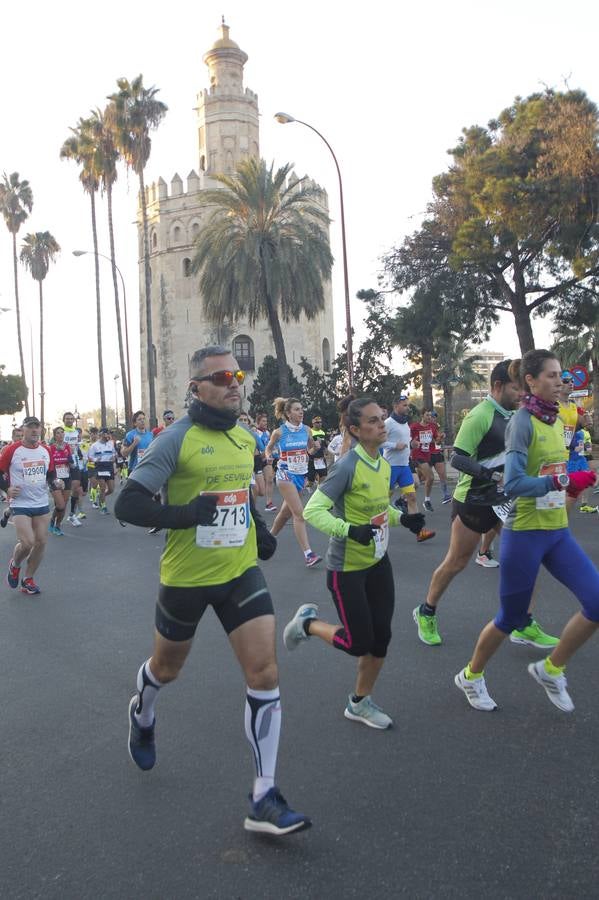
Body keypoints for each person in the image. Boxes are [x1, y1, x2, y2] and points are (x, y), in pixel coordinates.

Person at [114, 345, 310, 836]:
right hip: (186, 578)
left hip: (239, 572)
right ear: (195, 388)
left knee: (264, 672)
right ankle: (144, 710)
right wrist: (184, 516)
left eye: (237, 374)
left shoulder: (244, 438)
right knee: (166, 668)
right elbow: (128, 504)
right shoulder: (174, 441)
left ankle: (264, 795)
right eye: (220, 377)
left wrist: (260, 534)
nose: (233, 383)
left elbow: (238, 495)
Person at [454, 350, 599, 713]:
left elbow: (551, 470)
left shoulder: (555, 419)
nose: (559, 381)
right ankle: (471, 675)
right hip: (525, 532)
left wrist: (569, 480)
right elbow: (515, 483)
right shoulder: (522, 422)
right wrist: (565, 480)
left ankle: (552, 669)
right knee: (511, 618)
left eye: (561, 375)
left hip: (557, 531)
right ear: (530, 382)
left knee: (596, 603)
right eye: (550, 375)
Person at [285, 397, 428, 728]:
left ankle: (360, 702)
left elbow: (377, 511)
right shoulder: (347, 465)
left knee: (381, 639)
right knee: (358, 642)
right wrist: (350, 531)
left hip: (377, 561)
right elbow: (312, 511)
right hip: (346, 568)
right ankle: (307, 625)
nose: (382, 425)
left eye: (382, 419)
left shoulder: (384, 464)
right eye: (374, 421)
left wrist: (401, 519)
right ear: (354, 429)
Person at [413, 358, 558, 649]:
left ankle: (522, 623)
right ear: (497, 386)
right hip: (474, 499)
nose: (522, 394)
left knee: (527, 559)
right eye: (517, 388)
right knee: (456, 562)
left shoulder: (523, 415)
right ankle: (426, 611)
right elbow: (458, 457)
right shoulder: (480, 415)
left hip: (508, 500)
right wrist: (491, 475)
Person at [0, 416, 61, 594]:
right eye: (31, 427)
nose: (34, 430)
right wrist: (7, 489)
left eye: (37, 427)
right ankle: (15, 564)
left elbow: (50, 473)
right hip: (20, 503)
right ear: (23, 430)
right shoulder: (12, 450)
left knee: (41, 542)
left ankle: (28, 579)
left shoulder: (45, 450)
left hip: (41, 501)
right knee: (27, 543)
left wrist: (55, 482)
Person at [265, 398, 322, 568]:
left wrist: (314, 448)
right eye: (297, 409)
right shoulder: (279, 432)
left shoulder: (306, 430)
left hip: (300, 476)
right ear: (288, 413)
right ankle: (308, 554)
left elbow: (310, 449)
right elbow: (269, 447)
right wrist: (268, 455)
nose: (301, 412)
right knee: (299, 514)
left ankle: (267, 540)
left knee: (285, 514)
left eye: (302, 409)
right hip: (285, 475)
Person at [382, 395, 435, 543]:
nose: (407, 407)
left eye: (408, 405)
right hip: (390, 467)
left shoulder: (405, 424)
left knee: (411, 497)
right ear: (396, 406)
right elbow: (378, 443)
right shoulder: (388, 423)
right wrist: (394, 446)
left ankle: (419, 531)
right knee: (382, 501)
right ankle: (373, 529)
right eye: (404, 405)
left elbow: (405, 442)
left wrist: (412, 445)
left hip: (404, 466)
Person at [48, 426, 75, 535]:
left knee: (64, 503)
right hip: (54, 477)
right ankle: (52, 520)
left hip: (66, 477)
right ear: (54, 436)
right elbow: (48, 464)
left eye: (62, 433)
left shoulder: (67, 446)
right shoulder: (50, 448)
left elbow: (71, 462)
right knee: (60, 505)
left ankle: (58, 526)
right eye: (58, 433)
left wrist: (71, 462)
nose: (60, 435)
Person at [410, 410, 438, 511]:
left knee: (417, 481)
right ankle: (427, 501)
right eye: (427, 415)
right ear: (422, 415)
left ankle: (402, 499)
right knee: (430, 477)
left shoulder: (433, 426)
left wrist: (441, 437)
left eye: (430, 415)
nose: (429, 417)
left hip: (427, 455)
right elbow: (408, 439)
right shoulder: (414, 427)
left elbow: (436, 440)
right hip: (417, 455)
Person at [62, 412, 84, 527]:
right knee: (63, 493)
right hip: (63, 464)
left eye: (71, 418)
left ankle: (71, 514)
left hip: (75, 463)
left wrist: (80, 456)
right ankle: (59, 513)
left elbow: (77, 446)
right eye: (67, 419)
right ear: (63, 420)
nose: (70, 420)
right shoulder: (61, 432)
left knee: (75, 488)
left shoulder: (76, 432)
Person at [88, 427, 117, 513]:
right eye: (107, 433)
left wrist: (114, 458)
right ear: (102, 434)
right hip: (100, 466)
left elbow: (114, 454)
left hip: (109, 466)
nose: (109, 435)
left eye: (109, 434)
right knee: (102, 487)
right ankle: (103, 506)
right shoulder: (94, 446)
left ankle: (100, 496)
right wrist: (96, 460)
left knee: (111, 489)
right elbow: (90, 457)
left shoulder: (111, 443)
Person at [1, 426, 23, 529]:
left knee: (13, 506)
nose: (20, 438)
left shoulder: (25, 448)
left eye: (21, 436)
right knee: (16, 507)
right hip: (11, 481)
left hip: (24, 481)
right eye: (17, 436)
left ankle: (6, 515)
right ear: (12, 437)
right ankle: (22, 536)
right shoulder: (6, 449)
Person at [429, 413, 452, 504]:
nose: (433, 419)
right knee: (422, 477)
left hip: (437, 453)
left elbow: (438, 443)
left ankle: (446, 495)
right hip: (427, 454)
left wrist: (441, 437)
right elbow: (432, 440)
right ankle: (405, 496)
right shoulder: (423, 427)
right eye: (431, 417)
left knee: (443, 475)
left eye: (435, 417)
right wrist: (438, 438)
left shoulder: (437, 426)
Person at [306, 415, 328, 488]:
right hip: (312, 459)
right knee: (310, 483)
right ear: (313, 423)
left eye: (320, 422)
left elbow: (323, 444)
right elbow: (307, 445)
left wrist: (325, 452)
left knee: (323, 478)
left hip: (321, 459)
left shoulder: (322, 432)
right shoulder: (310, 432)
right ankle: (306, 485)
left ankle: (319, 492)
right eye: (317, 422)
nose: (319, 424)